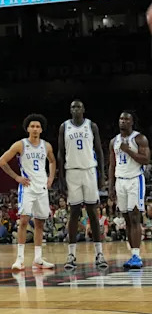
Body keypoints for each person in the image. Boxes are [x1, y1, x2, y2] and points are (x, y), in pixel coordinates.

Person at [0, 114, 56, 271]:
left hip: (42, 188)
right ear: (28, 128)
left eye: (38, 126)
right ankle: (20, 259)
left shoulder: (46, 146)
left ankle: (38, 259)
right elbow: (1, 161)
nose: (35, 129)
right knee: (23, 221)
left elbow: (52, 161)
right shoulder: (20, 145)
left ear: (41, 129)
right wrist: (17, 177)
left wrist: (51, 177)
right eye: (32, 126)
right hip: (28, 187)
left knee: (40, 223)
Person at [56, 100, 107, 269]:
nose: (76, 109)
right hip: (72, 172)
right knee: (74, 213)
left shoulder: (91, 126)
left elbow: (99, 151)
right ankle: (71, 255)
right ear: (70, 110)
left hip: (89, 171)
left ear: (83, 109)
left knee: (93, 212)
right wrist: (61, 179)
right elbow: (60, 153)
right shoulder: (64, 127)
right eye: (72, 107)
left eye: (78, 106)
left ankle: (99, 253)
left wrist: (102, 175)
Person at [109, 111, 150, 269]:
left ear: (132, 122)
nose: (123, 121)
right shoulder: (114, 141)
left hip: (135, 180)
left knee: (134, 218)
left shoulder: (139, 138)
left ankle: (137, 255)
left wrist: (129, 151)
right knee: (126, 219)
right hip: (120, 181)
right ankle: (132, 254)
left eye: (126, 119)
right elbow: (112, 164)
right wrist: (111, 186)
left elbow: (146, 159)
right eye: (121, 119)